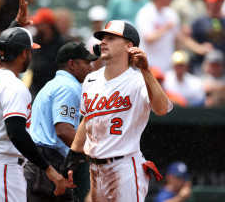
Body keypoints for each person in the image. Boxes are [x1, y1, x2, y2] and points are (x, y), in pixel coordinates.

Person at [61, 20, 173, 202]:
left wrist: (146, 71)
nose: (103, 42)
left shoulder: (138, 80)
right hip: (96, 169)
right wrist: (73, 155)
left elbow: (161, 109)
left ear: (129, 46)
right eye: (103, 38)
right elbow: (87, 119)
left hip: (124, 166)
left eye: (111, 38)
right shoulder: (91, 79)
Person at [0, 0, 66, 202]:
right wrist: (48, 168)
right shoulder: (14, 86)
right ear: (23, 54)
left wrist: (14, 26)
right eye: (29, 51)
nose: (31, 56)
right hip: (3, 169)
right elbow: (16, 133)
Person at [24, 42, 97, 201]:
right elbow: (63, 130)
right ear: (72, 64)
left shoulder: (52, 84)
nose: (91, 68)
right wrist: (94, 152)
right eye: (86, 62)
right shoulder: (68, 87)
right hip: (47, 163)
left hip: (41, 162)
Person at [25, 7, 69, 99]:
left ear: (48, 25)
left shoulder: (62, 43)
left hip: (55, 91)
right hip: (36, 90)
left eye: (39, 24)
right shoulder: (35, 41)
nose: (36, 27)